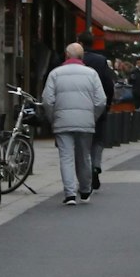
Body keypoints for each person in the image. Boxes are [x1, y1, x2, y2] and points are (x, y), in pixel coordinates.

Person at [42, 43, 107, 206]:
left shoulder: (55, 74)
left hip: (62, 121)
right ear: (82, 56)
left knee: (66, 157)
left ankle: (70, 194)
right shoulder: (91, 74)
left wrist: (53, 118)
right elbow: (101, 100)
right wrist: (92, 117)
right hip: (85, 122)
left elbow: (47, 100)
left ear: (66, 55)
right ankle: (85, 190)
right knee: (84, 156)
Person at [83, 42, 118, 189]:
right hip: (99, 104)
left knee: (84, 142)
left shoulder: (76, 62)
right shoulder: (101, 60)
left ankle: (86, 170)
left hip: (81, 106)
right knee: (98, 139)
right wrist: (108, 103)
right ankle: (95, 165)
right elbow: (109, 84)